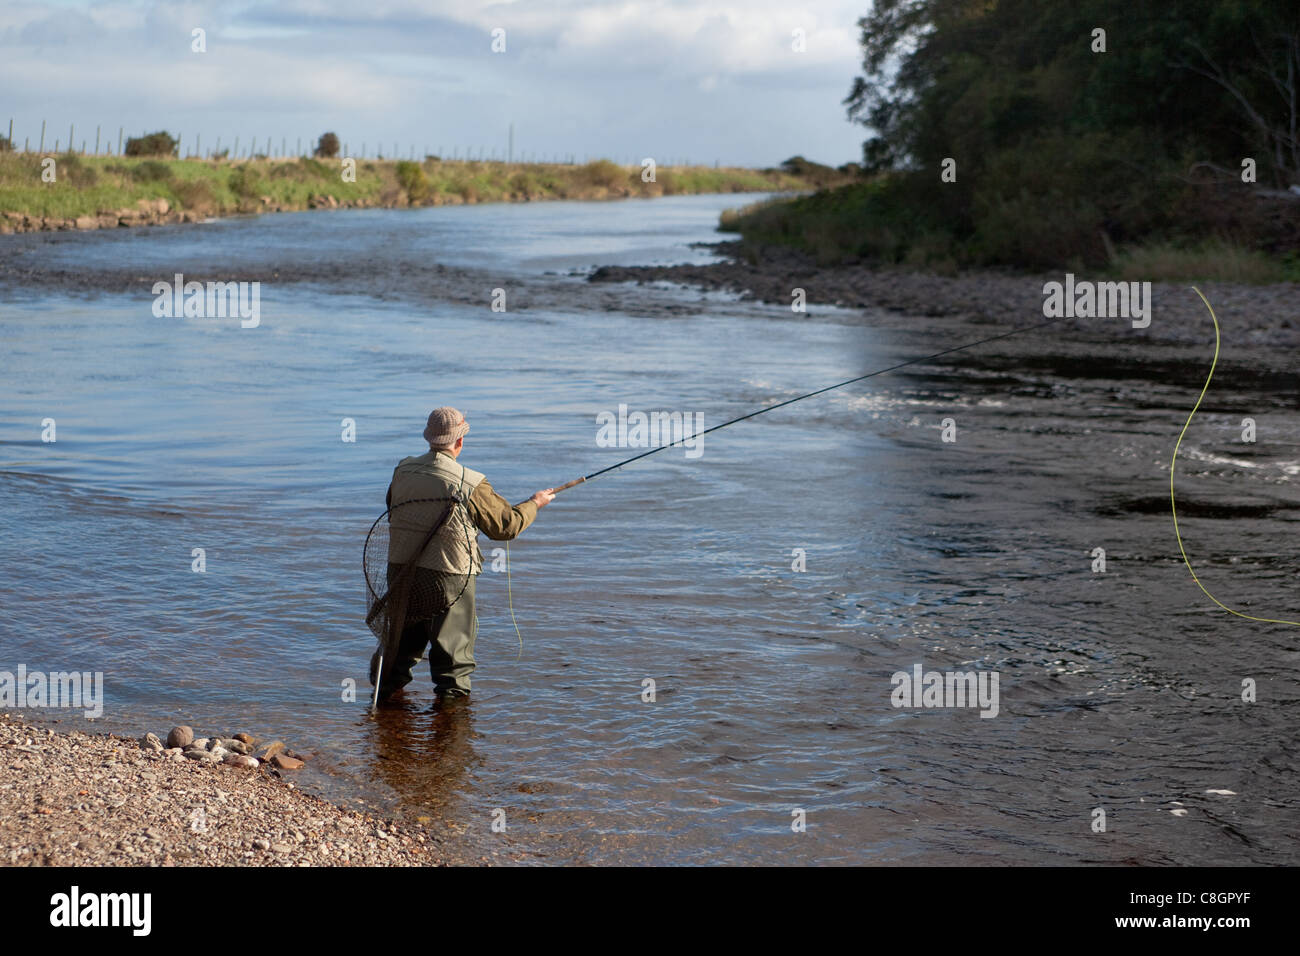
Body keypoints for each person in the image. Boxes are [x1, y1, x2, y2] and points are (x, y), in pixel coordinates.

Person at [370, 406, 553, 701]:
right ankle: (452, 735)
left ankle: (383, 710)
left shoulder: (402, 469)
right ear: (460, 442)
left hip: (401, 570)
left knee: (399, 648)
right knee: (453, 664)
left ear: (429, 438)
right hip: (449, 577)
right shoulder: (471, 482)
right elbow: (506, 527)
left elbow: (394, 507)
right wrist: (535, 502)